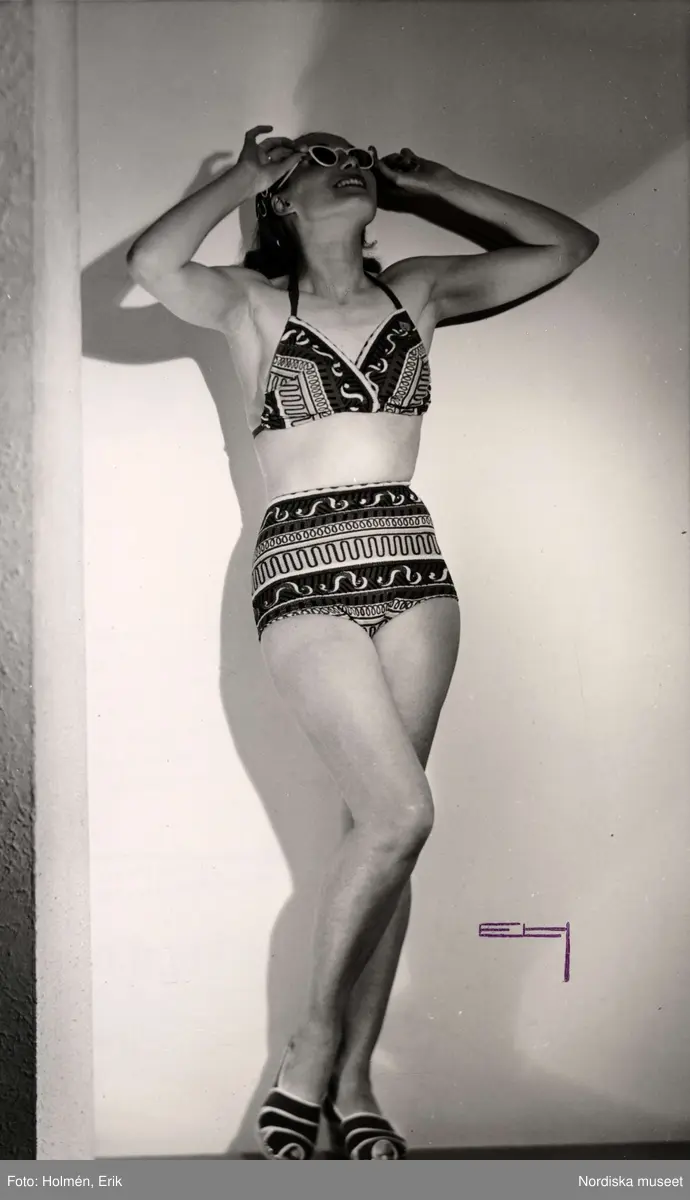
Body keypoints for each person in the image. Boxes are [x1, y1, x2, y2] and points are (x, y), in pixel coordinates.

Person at [127, 124, 598, 1160]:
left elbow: (568, 247)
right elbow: (151, 265)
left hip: (415, 571)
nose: (344, 164)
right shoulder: (252, 304)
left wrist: (443, 182)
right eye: (315, 157)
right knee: (401, 812)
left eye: (354, 156)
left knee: (387, 836)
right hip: (302, 569)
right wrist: (240, 176)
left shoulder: (418, 290)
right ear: (281, 200)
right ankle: (311, 1052)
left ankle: (353, 1084)